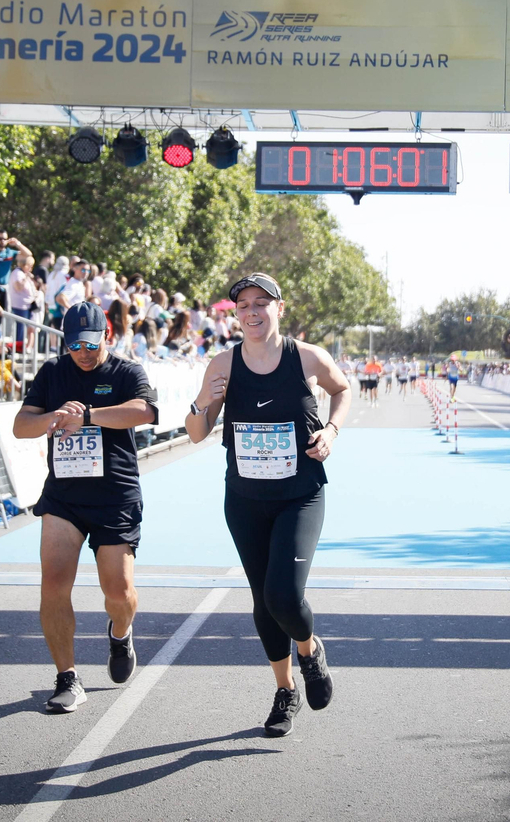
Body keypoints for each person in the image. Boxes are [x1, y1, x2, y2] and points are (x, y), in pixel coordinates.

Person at [184, 273, 350, 737]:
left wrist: (332, 431)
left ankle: (310, 651)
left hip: (300, 495)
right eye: (243, 306)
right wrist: (202, 401)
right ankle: (285, 690)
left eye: (262, 302)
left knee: (284, 595)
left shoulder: (308, 357)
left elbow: (342, 389)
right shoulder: (223, 364)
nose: (252, 312)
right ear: (236, 315)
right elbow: (196, 433)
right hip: (245, 500)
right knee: (262, 600)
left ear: (280, 307)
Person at [12, 301, 158, 714]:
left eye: (90, 345)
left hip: (115, 496)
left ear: (106, 336)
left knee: (119, 594)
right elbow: (21, 426)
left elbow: (145, 411)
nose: (83, 353)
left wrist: (88, 417)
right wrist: (54, 417)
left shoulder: (126, 372)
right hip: (64, 499)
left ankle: (120, 633)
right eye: (74, 345)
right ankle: (67, 677)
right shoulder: (52, 372)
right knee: (54, 585)